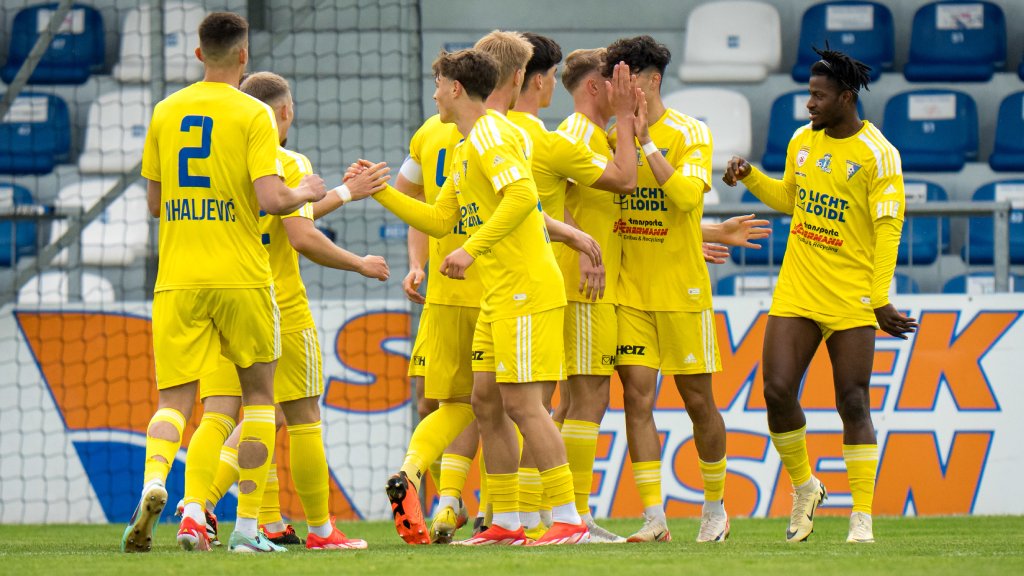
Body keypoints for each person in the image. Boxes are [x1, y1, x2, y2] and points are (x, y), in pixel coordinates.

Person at [355, 45, 605, 546]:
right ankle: (508, 523)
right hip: (498, 293)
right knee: (485, 402)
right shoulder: (469, 144)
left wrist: (472, 250)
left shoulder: (490, 132)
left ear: (454, 89)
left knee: (523, 406)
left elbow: (521, 198)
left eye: (437, 85)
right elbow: (440, 219)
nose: (433, 95)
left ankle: (569, 518)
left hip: (524, 289)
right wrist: (377, 191)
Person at [121, 12, 326, 554]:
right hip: (241, 279)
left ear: (197, 54)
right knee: (260, 401)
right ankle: (246, 530)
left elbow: (154, 203)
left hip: (179, 280)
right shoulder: (255, 113)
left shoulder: (166, 111)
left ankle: (157, 484)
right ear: (244, 56)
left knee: (174, 403)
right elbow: (271, 199)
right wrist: (306, 188)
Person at [723, 46, 917, 544]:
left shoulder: (879, 154)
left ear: (846, 97)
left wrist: (878, 299)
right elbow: (791, 198)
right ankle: (806, 487)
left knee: (852, 401)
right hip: (798, 289)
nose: (809, 103)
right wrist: (751, 179)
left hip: (852, 296)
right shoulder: (801, 141)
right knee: (776, 391)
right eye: (809, 93)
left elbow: (888, 230)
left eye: (818, 95)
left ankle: (862, 516)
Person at [193, 70, 389, 551]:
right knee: (300, 416)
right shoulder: (287, 160)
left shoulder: (224, 161)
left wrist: (344, 193)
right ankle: (322, 530)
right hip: (279, 306)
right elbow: (299, 235)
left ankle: (197, 507)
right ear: (284, 112)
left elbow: (282, 216)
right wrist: (359, 263)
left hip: (219, 302)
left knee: (231, 416)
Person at [507, 33, 638, 542]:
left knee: (555, 405)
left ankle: (535, 515)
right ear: (596, 86)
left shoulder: (571, 134)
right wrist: (584, 253)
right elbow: (606, 188)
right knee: (586, 399)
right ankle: (572, 518)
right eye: (618, 83)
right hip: (577, 278)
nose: (625, 90)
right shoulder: (575, 135)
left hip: (563, 273)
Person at [604, 35, 729, 544]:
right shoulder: (611, 135)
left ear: (650, 81)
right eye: (613, 79)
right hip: (631, 291)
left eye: (625, 78)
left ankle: (715, 509)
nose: (617, 88)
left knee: (699, 401)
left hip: (682, 292)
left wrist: (646, 141)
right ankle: (654, 518)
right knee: (637, 398)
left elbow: (681, 197)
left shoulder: (691, 132)